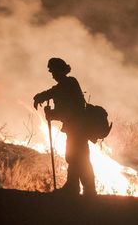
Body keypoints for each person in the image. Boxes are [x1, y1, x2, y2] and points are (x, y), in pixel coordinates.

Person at [33, 57, 96, 196]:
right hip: (74, 128)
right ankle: (74, 186)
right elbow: (55, 93)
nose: (52, 74)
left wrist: (51, 112)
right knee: (74, 157)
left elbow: (68, 110)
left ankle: (87, 189)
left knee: (80, 158)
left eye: (54, 71)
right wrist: (46, 105)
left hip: (78, 128)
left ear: (60, 70)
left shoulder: (69, 83)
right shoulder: (65, 84)